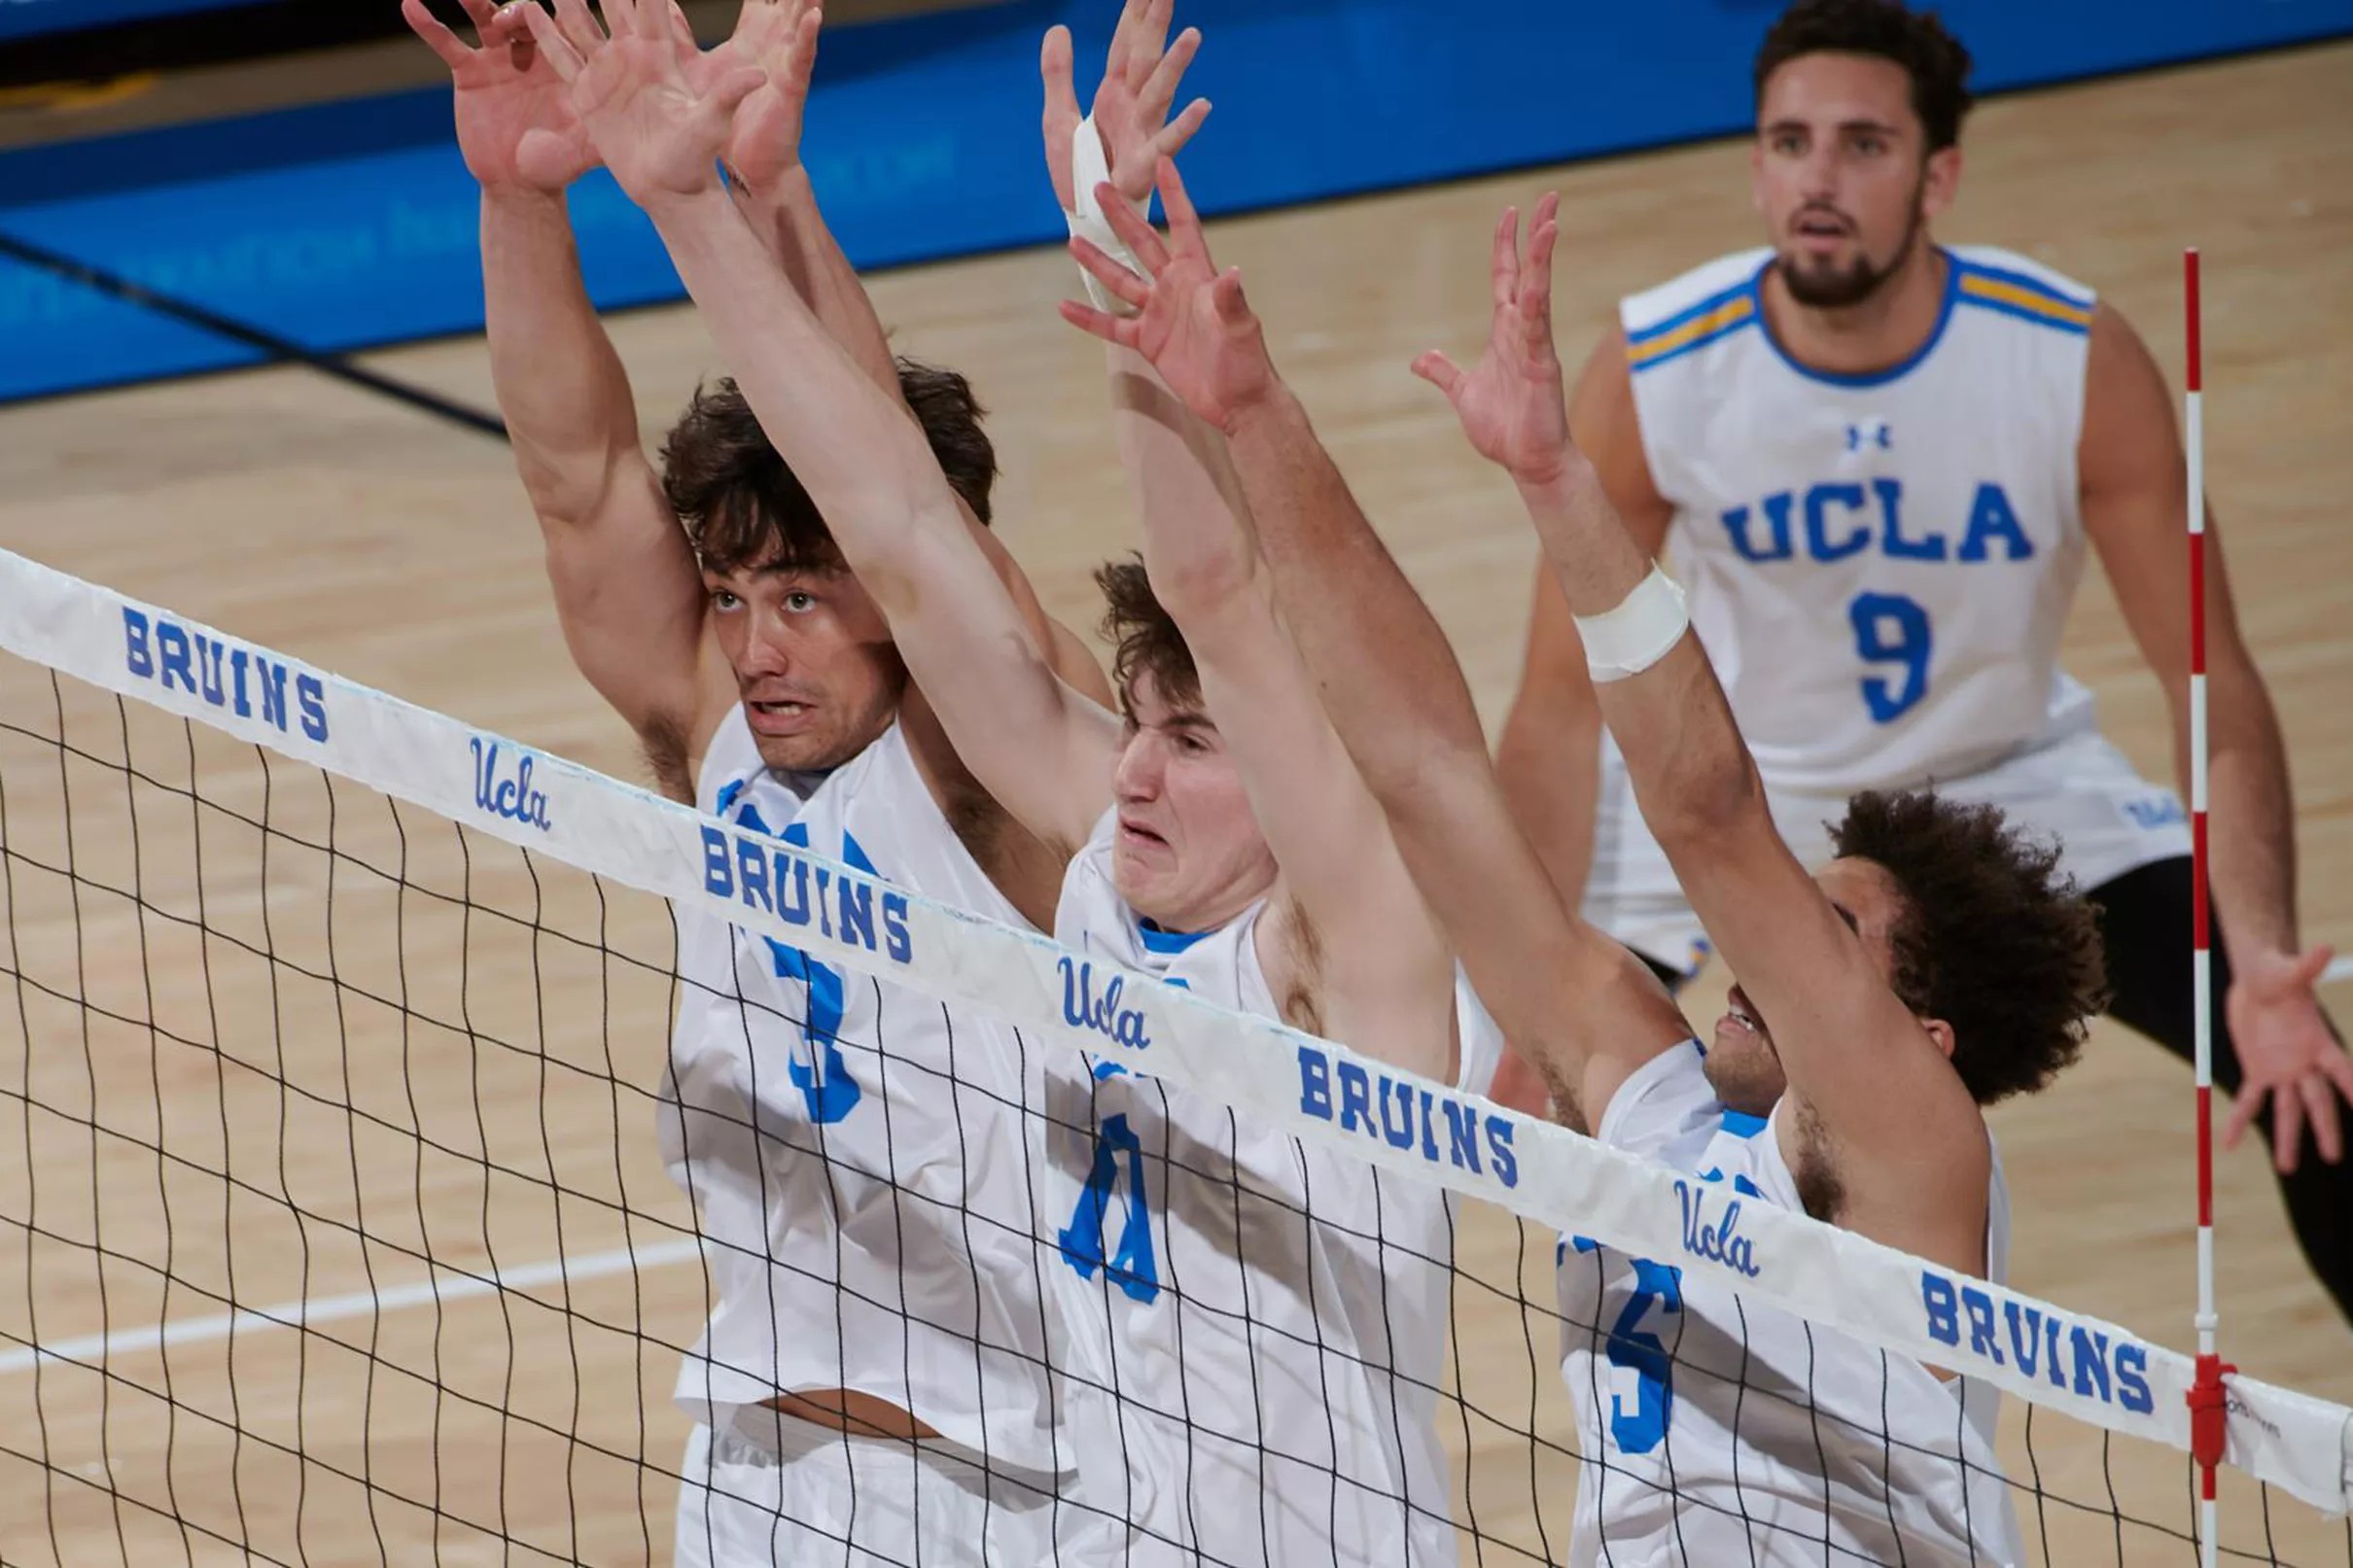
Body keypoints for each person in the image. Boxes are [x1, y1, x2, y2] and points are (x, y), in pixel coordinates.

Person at [521, 1, 1500, 1560]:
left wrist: (1139, 288)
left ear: (1297, 781)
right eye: (1138, 730)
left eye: (1194, 744)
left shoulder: (1352, 963)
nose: (1136, 770)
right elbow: (900, 531)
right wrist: (690, 208)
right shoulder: (1102, 895)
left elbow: (1225, 598)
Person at [1060, 154, 2107, 1562]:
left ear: (1923, 1039)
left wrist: (1562, 483)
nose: (1762, 947)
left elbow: (1711, 814)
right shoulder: (1649, 1102)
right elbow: (1428, 773)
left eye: (1829, 934)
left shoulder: (1917, 1157)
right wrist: (1253, 415)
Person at [1493, 0, 2353, 1322]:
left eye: (1864, 145)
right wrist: (1518, 995)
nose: (1818, 180)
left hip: (2014, 784)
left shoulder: (2068, 356)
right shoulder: (1658, 366)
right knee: (1521, 1083)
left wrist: (2261, 950)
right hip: (1748, 798)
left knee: (2314, 1083)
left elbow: (2215, 689)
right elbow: (1557, 716)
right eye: (1789, 142)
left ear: (1938, 175)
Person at [407, 0, 1118, 1560]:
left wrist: (766, 195)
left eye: (802, 594)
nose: (756, 646)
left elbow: (906, 512)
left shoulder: (985, 769)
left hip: (1004, 1485)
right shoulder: (718, 742)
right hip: (753, 1480)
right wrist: (520, 198)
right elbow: (580, 482)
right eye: (734, 598)